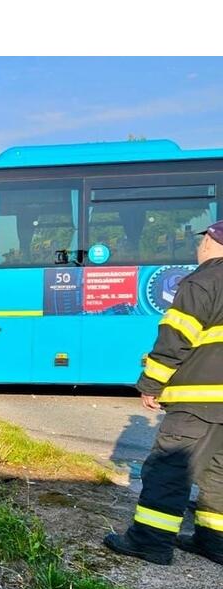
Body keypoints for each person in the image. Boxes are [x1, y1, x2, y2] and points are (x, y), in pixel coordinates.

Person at [104, 220, 223, 566]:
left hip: (200, 399)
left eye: (202, 240)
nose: (198, 247)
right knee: (217, 470)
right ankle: (214, 541)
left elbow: (175, 338)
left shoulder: (204, 281)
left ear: (212, 243)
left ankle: (150, 540)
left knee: (169, 467)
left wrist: (152, 384)